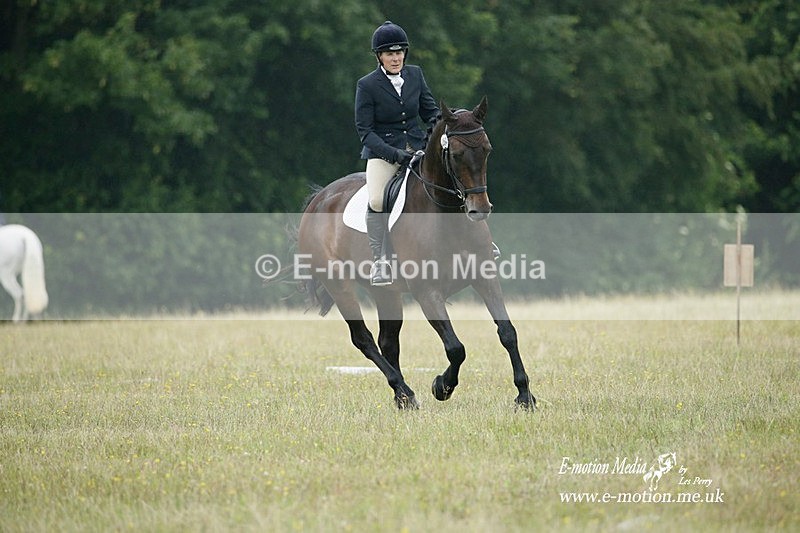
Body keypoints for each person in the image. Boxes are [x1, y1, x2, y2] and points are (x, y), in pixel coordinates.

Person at [355, 21, 439, 286]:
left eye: (399, 52)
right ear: (379, 56)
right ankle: (380, 260)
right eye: (390, 53)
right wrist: (393, 154)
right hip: (383, 153)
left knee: (453, 178)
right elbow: (365, 132)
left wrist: (442, 131)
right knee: (377, 199)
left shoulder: (415, 75)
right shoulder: (367, 85)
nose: (396, 58)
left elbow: (431, 113)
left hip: (417, 146)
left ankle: (480, 242)